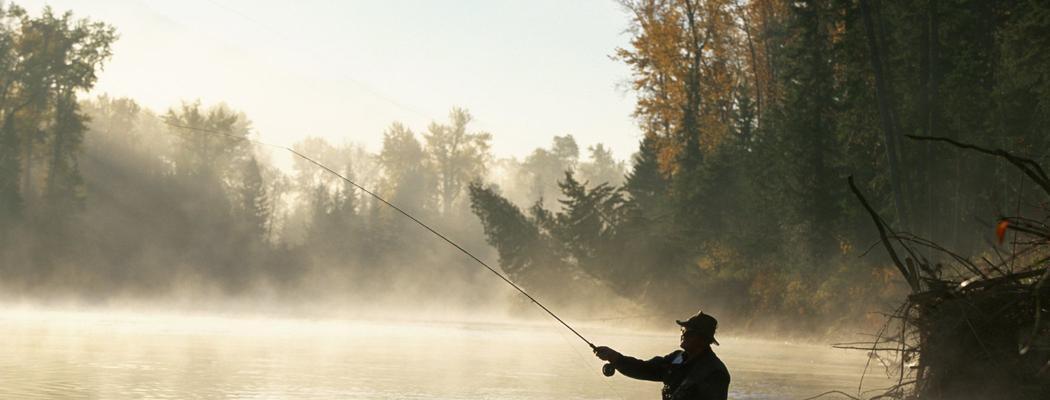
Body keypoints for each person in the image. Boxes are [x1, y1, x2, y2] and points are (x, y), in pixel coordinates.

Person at [593, 310, 730, 400]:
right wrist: (615, 357)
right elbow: (645, 369)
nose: (682, 334)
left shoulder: (715, 372)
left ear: (702, 339)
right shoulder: (677, 357)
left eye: (688, 332)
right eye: (682, 330)